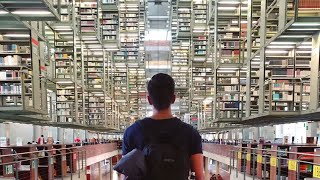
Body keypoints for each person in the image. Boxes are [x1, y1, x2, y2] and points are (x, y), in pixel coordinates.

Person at [122, 73, 204, 180]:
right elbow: (199, 177)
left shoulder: (132, 132)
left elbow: (126, 176)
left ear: (149, 100)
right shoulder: (191, 133)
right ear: (173, 99)